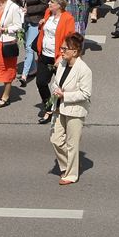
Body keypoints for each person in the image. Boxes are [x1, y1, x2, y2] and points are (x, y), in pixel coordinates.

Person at [49, 32, 92, 186]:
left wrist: (65, 95)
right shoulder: (62, 64)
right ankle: (69, 164)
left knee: (72, 143)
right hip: (60, 107)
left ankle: (71, 174)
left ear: (74, 52)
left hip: (75, 110)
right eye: (61, 48)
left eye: (64, 49)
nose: (61, 51)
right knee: (55, 139)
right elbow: (56, 82)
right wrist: (56, 90)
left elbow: (85, 94)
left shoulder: (84, 70)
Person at [35, 0, 77, 124]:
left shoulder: (68, 18)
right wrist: (41, 24)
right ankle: (49, 108)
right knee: (41, 82)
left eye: (52, 2)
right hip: (44, 55)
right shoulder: (48, 13)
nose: (49, 3)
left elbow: (69, 39)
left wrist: (61, 56)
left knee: (62, 86)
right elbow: (44, 31)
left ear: (59, 4)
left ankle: (60, 109)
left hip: (58, 58)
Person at [15, 0, 50, 85]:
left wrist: (28, 10)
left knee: (30, 47)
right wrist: (18, 8)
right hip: (21, 19)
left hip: (35, 19)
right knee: (26, 45)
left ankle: (24, 75)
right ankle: (34, 68)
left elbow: (44, 4)